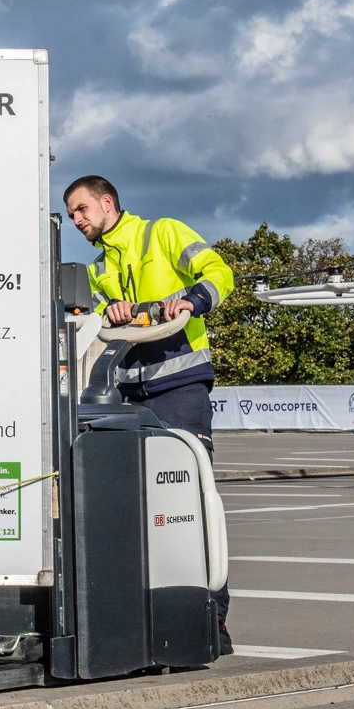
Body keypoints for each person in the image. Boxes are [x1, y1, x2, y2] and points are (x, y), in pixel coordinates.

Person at [65, 173, 236, 650]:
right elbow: (102, 322)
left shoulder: (162, 232)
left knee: (191, 502)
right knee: (141, 510)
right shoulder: (98, 269)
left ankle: (210, 620)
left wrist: (192, 299)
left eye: (82, 209)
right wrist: (113, 313)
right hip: (127, 394)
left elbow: (220, 273)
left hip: (179, 386)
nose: (77, 220)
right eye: (73, 213)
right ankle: (149, 619)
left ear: (106, 201)